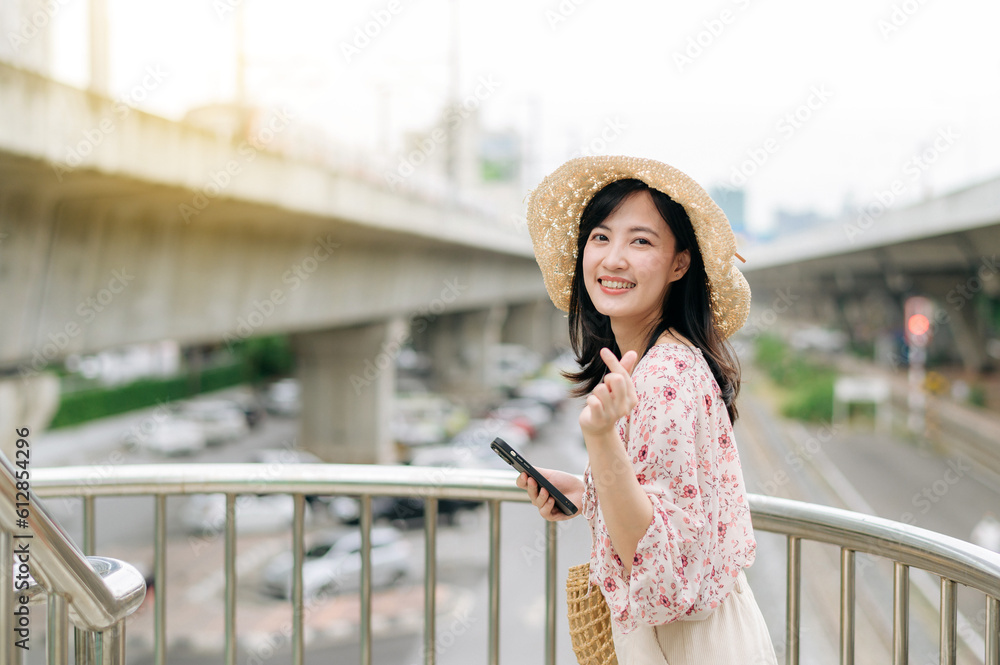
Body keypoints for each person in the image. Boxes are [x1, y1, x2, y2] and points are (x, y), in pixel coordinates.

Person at [516, 156, 777, 664]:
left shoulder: (665, 379)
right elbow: (667, 498)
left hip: (687, 645)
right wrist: (588, 489)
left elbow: (654, 563)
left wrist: (599, 435)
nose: (613, 259)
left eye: (641, 241)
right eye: (600, 237)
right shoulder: (667, 359)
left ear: (680, 262)